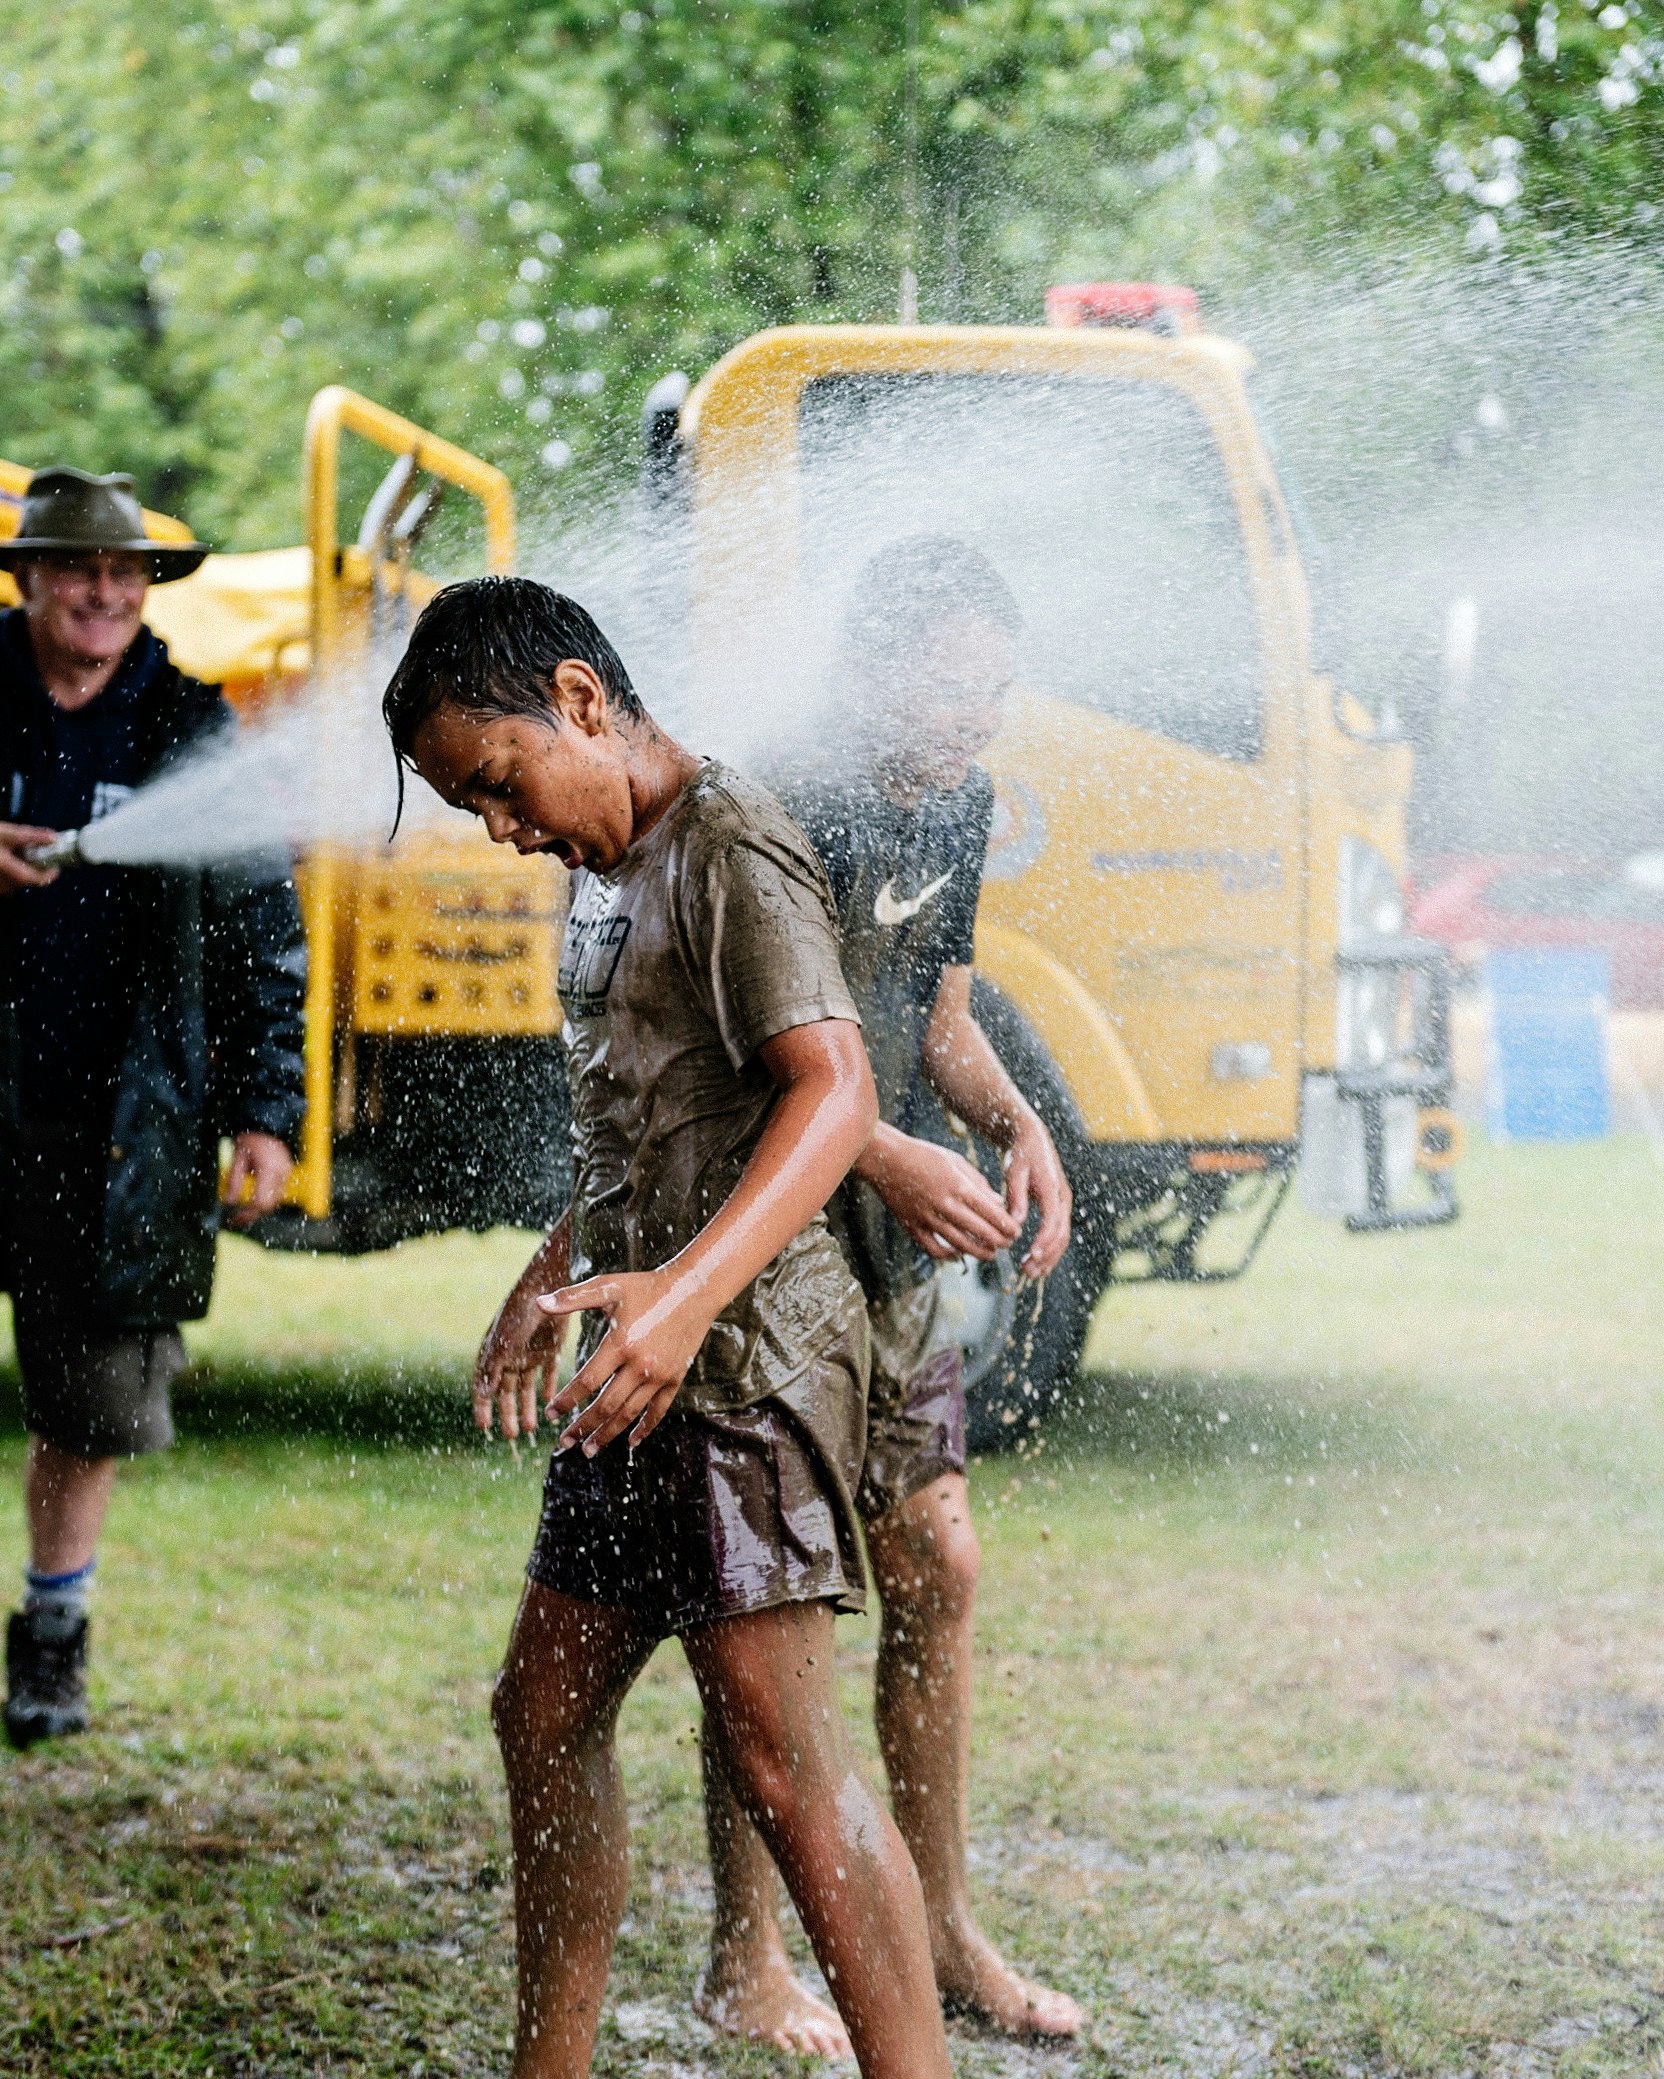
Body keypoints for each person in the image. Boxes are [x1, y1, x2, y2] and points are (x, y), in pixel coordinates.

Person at [383, 575, 954, 2079]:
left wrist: (683, 1296)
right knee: (540, 1710)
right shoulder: (611, 862)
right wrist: (554, 1262)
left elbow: (833, 1091)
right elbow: (653, 1109)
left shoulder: (731, 845)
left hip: (751, 1365)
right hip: (639, 1359)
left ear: (579, 700)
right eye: (471, 809)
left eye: (499, 784)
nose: (502, 827)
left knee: (780, 1755)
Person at [695, 535, 1083, 2055]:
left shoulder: (964, 797)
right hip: (764, 1237)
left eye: (998, 687)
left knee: (937, 1560)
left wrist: (1012, 1120)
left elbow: (933, 1017)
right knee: (767, 1603)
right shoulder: (771, 795)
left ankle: (947, 1923)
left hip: (887, 1251)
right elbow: (744, 1052)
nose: (981, 718)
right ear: (874, 665)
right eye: (955, 684)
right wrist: (888, 1154)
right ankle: (748, 1953)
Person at [0, 467, 306, 1749]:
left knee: (92, 1406)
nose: (106, 592)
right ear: (25, 580)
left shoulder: (189, 728)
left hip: (120, 1132)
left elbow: (259, 932)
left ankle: (51, 1643)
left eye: (126, 574)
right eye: (79, 569)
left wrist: (265, 1110)